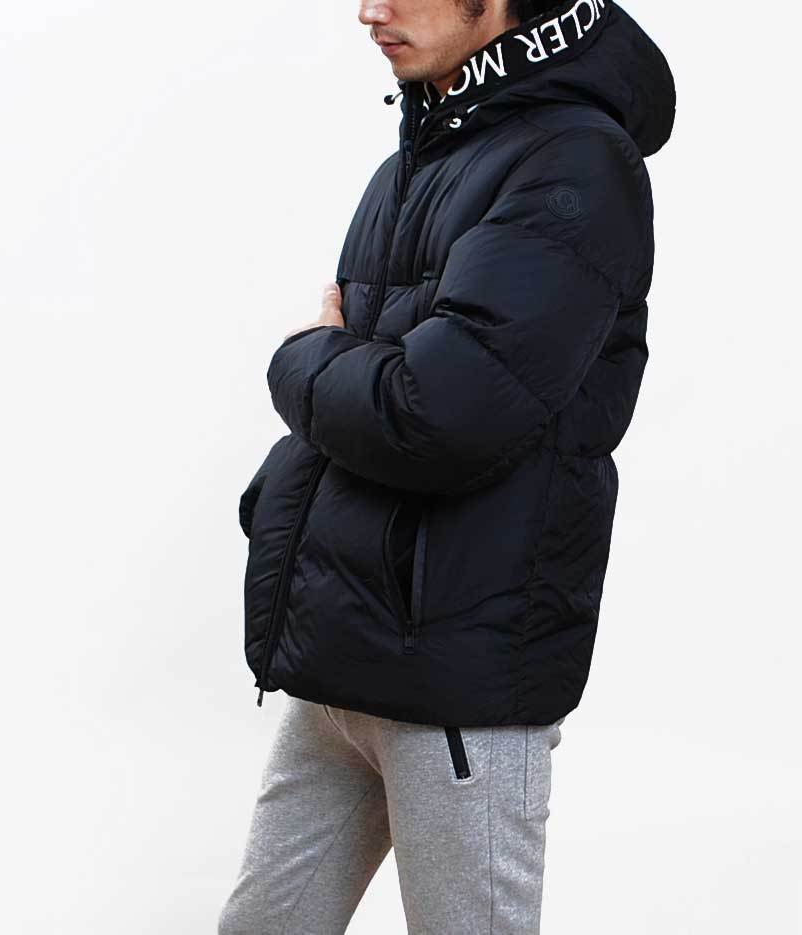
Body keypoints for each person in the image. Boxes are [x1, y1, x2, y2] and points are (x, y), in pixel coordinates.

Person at [219, 0, 675, 931]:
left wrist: (301, 357)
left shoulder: (572, 165)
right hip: (342, 660)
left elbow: (437, 413)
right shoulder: (424, 154)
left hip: (460, 683)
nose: (368, 11)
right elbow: (382, 391)